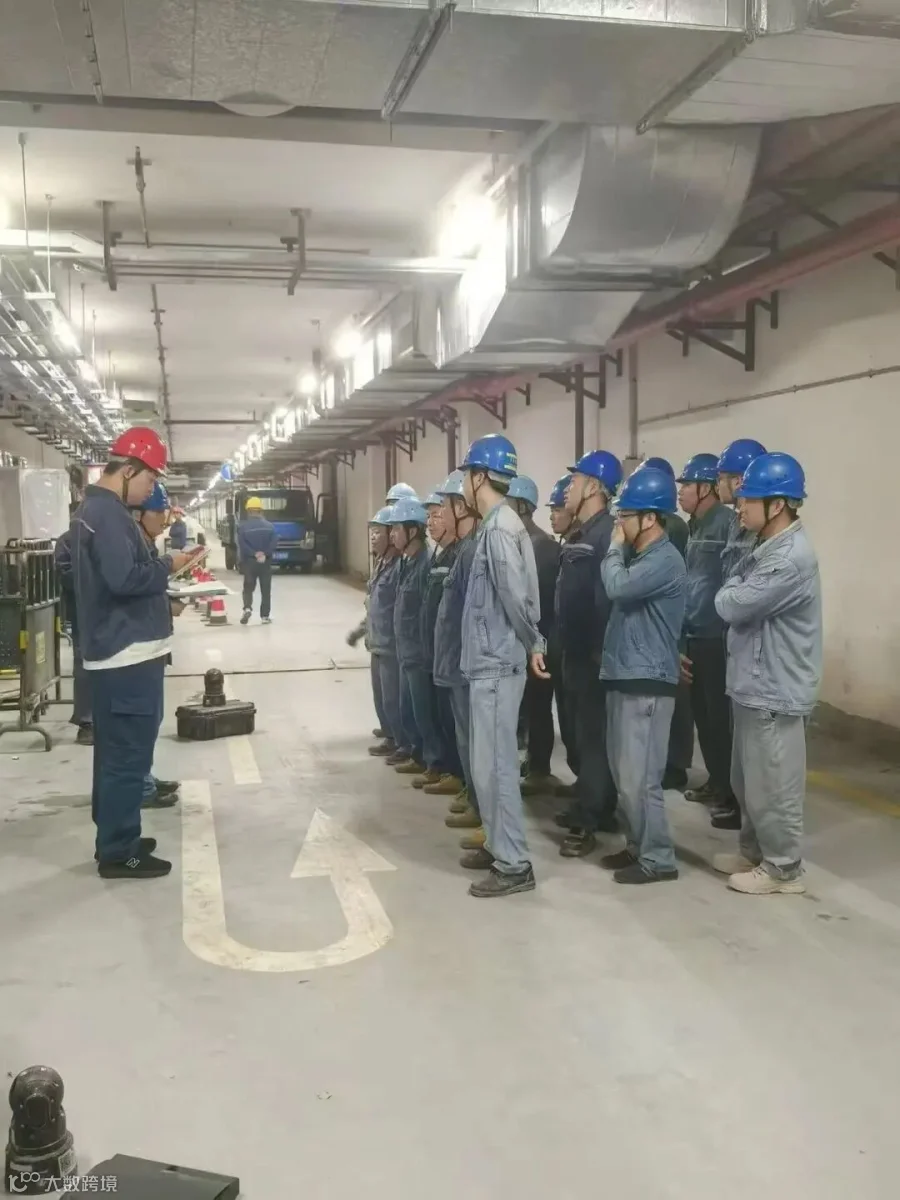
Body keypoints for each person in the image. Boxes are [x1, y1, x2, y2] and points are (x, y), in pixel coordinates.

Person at [70, 426, 195, 879]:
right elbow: (125, 580)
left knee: (115, 754)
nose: (150, 489)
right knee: (127, 757)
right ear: (127, 470)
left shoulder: (97, 512)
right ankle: (120, 852)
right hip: (126, 656)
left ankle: (114, 837)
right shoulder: (108, 516)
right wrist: (168, 565)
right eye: (149, 479)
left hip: (118, 653)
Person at [713, 453, 821, 896]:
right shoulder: (766, 548)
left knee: (773, 785)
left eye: (748, 499)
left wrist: (731, 590)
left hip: (775, 689)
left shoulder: (790, 559)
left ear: (777, 505)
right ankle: (754, 853)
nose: (739, 506)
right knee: (747, 782)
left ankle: (783, 868)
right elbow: (734, 590)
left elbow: (732, 604)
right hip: (753, 684)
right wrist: (734, 587)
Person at [459, 434, 544, 898]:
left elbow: (515, 595)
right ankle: (499, 845)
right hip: (491, 661)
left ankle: (514, 864)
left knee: (495, 767)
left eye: (465, 476)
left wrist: (533, 641)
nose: (463, 486)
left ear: (478, 477)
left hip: (496, 664)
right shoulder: (501, 523)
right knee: (487, 765)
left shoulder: (497, 530)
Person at [599, 467, 686, 885]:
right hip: (626, 676)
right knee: (625, 776)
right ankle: (638, 845)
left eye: (625, 516)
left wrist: (614, 549)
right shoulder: (645, 558)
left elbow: (616, 587)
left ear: (650, 518)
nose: (619, 525)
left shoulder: (664, 561)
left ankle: (658, 858)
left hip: (647, 683)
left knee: (641, 779)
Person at [554, 449, 622, 856]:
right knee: (581, 735)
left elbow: (606, 600)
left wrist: (599, 652)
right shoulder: (584, 532)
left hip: (593, 656)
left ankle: (590, 819)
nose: (568, 488)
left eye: (576, 480)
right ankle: (595, 804)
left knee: (594, 739)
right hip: (575, 652)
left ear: (594, 486)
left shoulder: (606, 534)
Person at [676, 453, 740, 826]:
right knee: (703, 717)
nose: (681, 491)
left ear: (706, 488)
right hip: (695, 633)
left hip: (717, 637)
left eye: (686, 484)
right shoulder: (696, 526)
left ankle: (730, 792)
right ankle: (717, 781)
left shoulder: (726, 524)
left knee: (719, 720)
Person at [432, 470, 483, 845]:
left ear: (461, 509)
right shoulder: (463, 550)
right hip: (456, 662)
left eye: (444, 507)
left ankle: (482, 809)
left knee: (476, 743)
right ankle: (473, 797)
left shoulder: (474, 550)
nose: (439, 514)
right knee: (466, 740)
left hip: (468, 667)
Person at [636, 457, 693, 790]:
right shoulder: (669, 524)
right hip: (662, 621)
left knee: (676, 697)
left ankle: (676, 764)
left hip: (670, 622)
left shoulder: (673, 527)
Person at [132, 481, 186, 811]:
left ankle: (144, 779)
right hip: (133, 648)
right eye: (159, 514)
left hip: (150, 643)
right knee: (138, 724)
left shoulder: (143, 540)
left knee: (150, 720)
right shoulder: (129, 541)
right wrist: (168, 564)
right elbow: (130, 586)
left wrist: (167, 603)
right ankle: (139, 787)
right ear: (140, 514)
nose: (164, 522)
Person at [507, 475, 561, 797]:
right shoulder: (519, 543)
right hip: (520, 640)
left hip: (539, 641)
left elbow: (537, 600)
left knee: (538, 707)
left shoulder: (543, 547)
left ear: (523, 506)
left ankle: (540, 767)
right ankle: (532, 760)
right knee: (527, 706)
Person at [417, 492, 465, 797]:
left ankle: (458, 775)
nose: (432, 522)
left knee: (454, 720)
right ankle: (448, 769)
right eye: (429, 516)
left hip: (453, 654)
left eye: (438, 515)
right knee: (440, 716)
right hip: (436, 652)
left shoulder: (459, 555)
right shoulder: (440, 555)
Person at [390, 498, 442, 778]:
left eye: (397, 529)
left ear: (412, 531)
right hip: (406, 651)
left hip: (420, 654)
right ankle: (418, 754)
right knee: (408, 710)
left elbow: (427, 612)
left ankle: (434, 762)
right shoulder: (406, 562)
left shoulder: (425, 564)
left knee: (424, 713)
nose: (392, 535)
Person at [354, 507, 405, 758]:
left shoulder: (399, 567)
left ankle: (399, 740)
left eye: (378, 532)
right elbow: (374, 604)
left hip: (391, 644)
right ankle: (389, 734)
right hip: (376, 641)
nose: (373, 537)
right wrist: (361, 630)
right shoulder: (381, 563)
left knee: (393, 698)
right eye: (371, 532)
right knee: (382, 697)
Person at [545, 474, 580, 791]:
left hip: (578, 651)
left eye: (558, 510)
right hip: (560, 645)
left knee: (580, 723)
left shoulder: (583, 546)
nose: (553, 516)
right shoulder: (564, 546)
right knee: (567, 719)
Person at [55, 504, 93, 746]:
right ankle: (87, 722)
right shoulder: (67, 542)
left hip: (114, 612)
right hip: (84, 613)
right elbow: (66, 575)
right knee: (84, 665)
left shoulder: (109, 538)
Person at [716, 438, 767, 576]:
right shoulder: (736, 522)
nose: (717, 486)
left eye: (720, 479)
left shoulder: (760, 527)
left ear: (737, 482)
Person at [238, 496, 279, 626]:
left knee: (248, 587)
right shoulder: (270, 527)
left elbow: (242, 545)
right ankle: (265, 616)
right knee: (265, 590)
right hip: (265, 562)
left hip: (250, 562)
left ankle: (247, 608)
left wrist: (253, 554)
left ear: (249, 511)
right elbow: (274, 543)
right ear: (261, 511)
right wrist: (264, 553)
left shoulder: (243, 527)